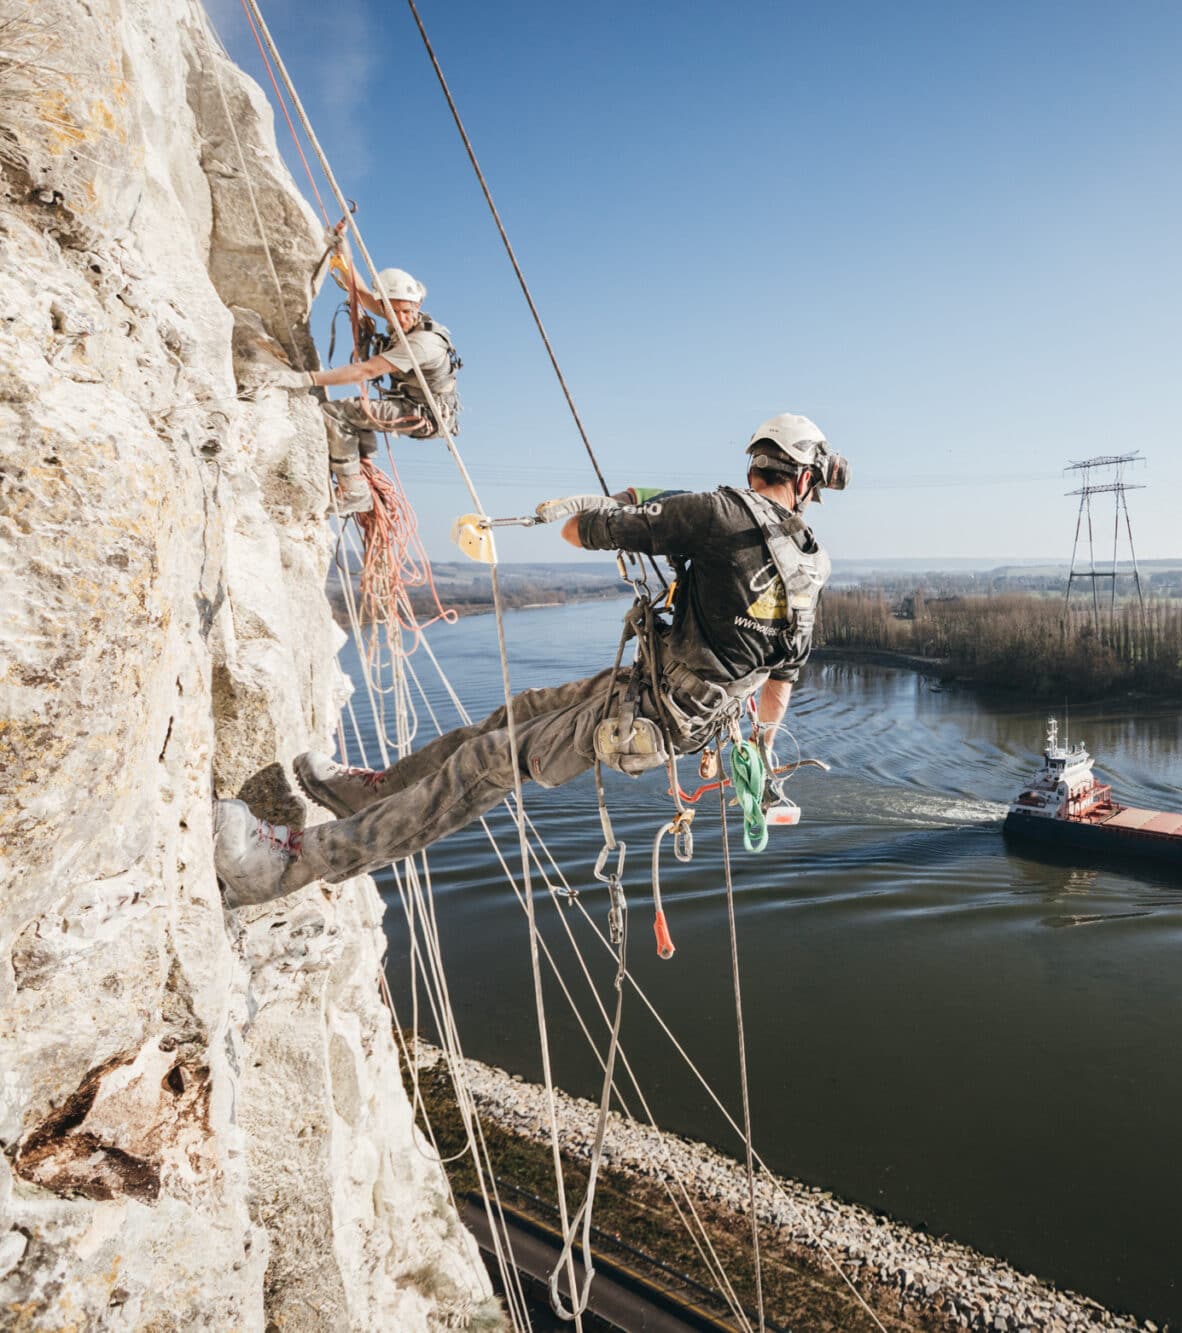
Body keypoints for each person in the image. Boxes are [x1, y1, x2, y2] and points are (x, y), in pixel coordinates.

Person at [212, 414, 846, 907]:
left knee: (486, 763)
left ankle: (291, 864)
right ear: (807, 479)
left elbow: (580, 533)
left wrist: (601, 509)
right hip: (674, 705)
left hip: (652, 708)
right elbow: (781, 683)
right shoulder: (810, 565)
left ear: (759, 462)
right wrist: (760, 751)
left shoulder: (711, 511)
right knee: (518, 712)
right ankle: (375, 794)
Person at [251, 262, 461, 514]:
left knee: (336, 413)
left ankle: (354, 490)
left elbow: (367, 371)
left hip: (424, 415)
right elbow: (362, 294)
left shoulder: (422, 343)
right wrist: (343, 258)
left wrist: (307, 379)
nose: (400, 318)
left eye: (406, 311)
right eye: (392, 311)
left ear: (417, 306)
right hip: (415, 406)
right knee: (355, 412)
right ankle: (363, 464)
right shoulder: (399, 315)